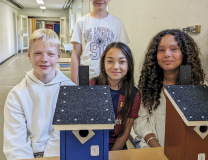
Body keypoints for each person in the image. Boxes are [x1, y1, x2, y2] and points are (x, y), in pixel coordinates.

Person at [3, 29, 75, 160]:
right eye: (38, 53)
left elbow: (64, 135)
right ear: (29, 56)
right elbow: (15, 145)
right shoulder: (16, 96)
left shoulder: (71, 91)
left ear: (58, 56)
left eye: (50, 54)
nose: (44, 59)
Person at [133, 29, 206, 148]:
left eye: (174, 49)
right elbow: (140, 120)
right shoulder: (148, 85)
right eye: (161, 50)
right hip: (150, 148)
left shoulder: (198, 87)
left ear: (184, 52)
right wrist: (154, 144)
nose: (167, 54)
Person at [89, 42, 141, 150]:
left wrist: (112, 155)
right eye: (110, 61)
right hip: (91, 145)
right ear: (103, 64)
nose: (115, 67)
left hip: (117, 148)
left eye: (122, 61)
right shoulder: (91, 86)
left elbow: (125, 132)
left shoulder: (134, 94)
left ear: (129, 65)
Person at [71, 0, 130, 84]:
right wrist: (73, 83)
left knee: (107, 96)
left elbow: (123, 54)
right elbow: (76, 53)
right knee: (86, 96)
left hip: (110, 72)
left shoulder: (117, 23)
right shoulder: (81, 22)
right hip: (85, 72)